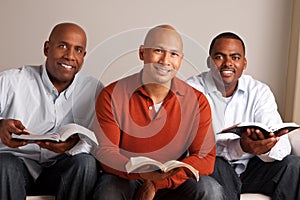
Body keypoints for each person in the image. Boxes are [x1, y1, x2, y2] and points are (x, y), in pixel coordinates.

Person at [93, 25, 224, 200]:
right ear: (142, 53)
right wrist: (142, 175)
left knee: (210, 189)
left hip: (173, 182)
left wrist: (156, 183)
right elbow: (106, 152)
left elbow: (205, 158)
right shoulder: (111, 95)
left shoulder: (197, 101)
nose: (165, 60)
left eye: (173, 54)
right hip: (126, 177)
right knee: (108, 191)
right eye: (158, 51)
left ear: (181, 59)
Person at [186, 32, 300, 200]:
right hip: (213, 168)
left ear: (244, 63)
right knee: (218, 163)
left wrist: (265, 146)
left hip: (251, 168)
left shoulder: (259, 91)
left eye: (235, 57)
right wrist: (240, 147)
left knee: (294, 165)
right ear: (209, 62)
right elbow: (194, 149)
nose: (228, 63)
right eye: (219, 57)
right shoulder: (192, 89)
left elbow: (283, 148)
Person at [0, 22, 103, 199]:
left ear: (84, 56)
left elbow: (101, 142)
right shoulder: (11, 81)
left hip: (62, 171)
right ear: (47, 48)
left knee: (85, 163)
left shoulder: (94, 90)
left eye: (78, 50)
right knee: (4, 164)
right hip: (16, 167)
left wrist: (75, 146)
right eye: (62, 46)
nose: (70, 56)